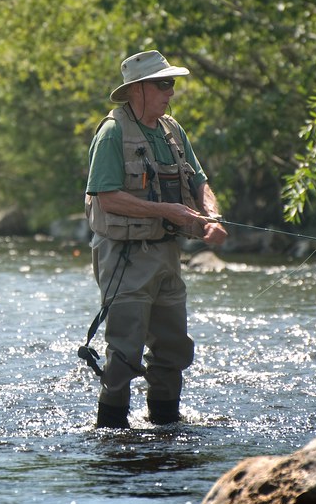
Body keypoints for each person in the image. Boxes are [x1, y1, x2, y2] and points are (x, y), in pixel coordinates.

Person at [82, 50, 227, 429]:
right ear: (137, 89)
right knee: (125, 351)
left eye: (172, 83)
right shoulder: (112, 133)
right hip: (124, 257)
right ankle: (111, 429)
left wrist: (211, 216)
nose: (171, 92)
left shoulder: (172, 130)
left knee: (173, 346)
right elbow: (107, 196)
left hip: (167, 254)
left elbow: (199, 181)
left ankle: (165, 423)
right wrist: (168, 212)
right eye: (163, 84)